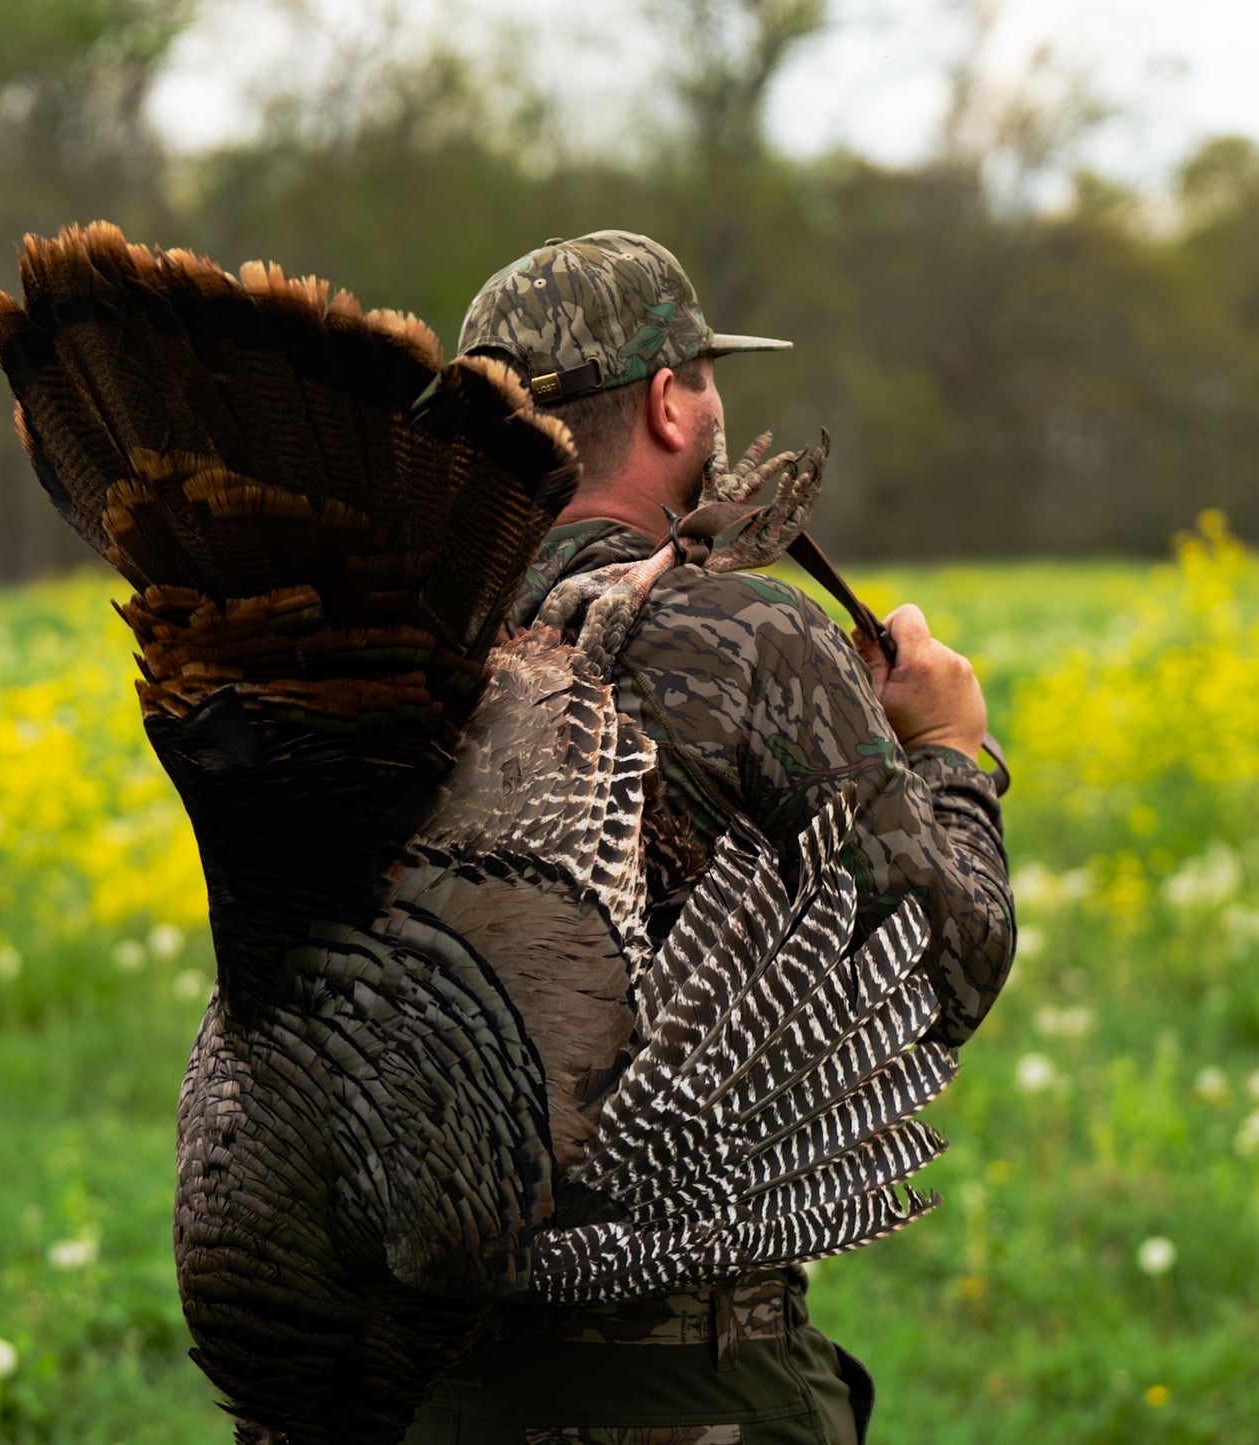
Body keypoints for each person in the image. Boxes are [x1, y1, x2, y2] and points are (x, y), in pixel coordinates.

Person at [403, 231, 1016, 1445]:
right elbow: (944, 971)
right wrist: (946, 753)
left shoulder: (387, 653)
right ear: (667, 403)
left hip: (415, 1382)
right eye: (706, 375)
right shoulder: (748, 635)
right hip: (685, 1387)